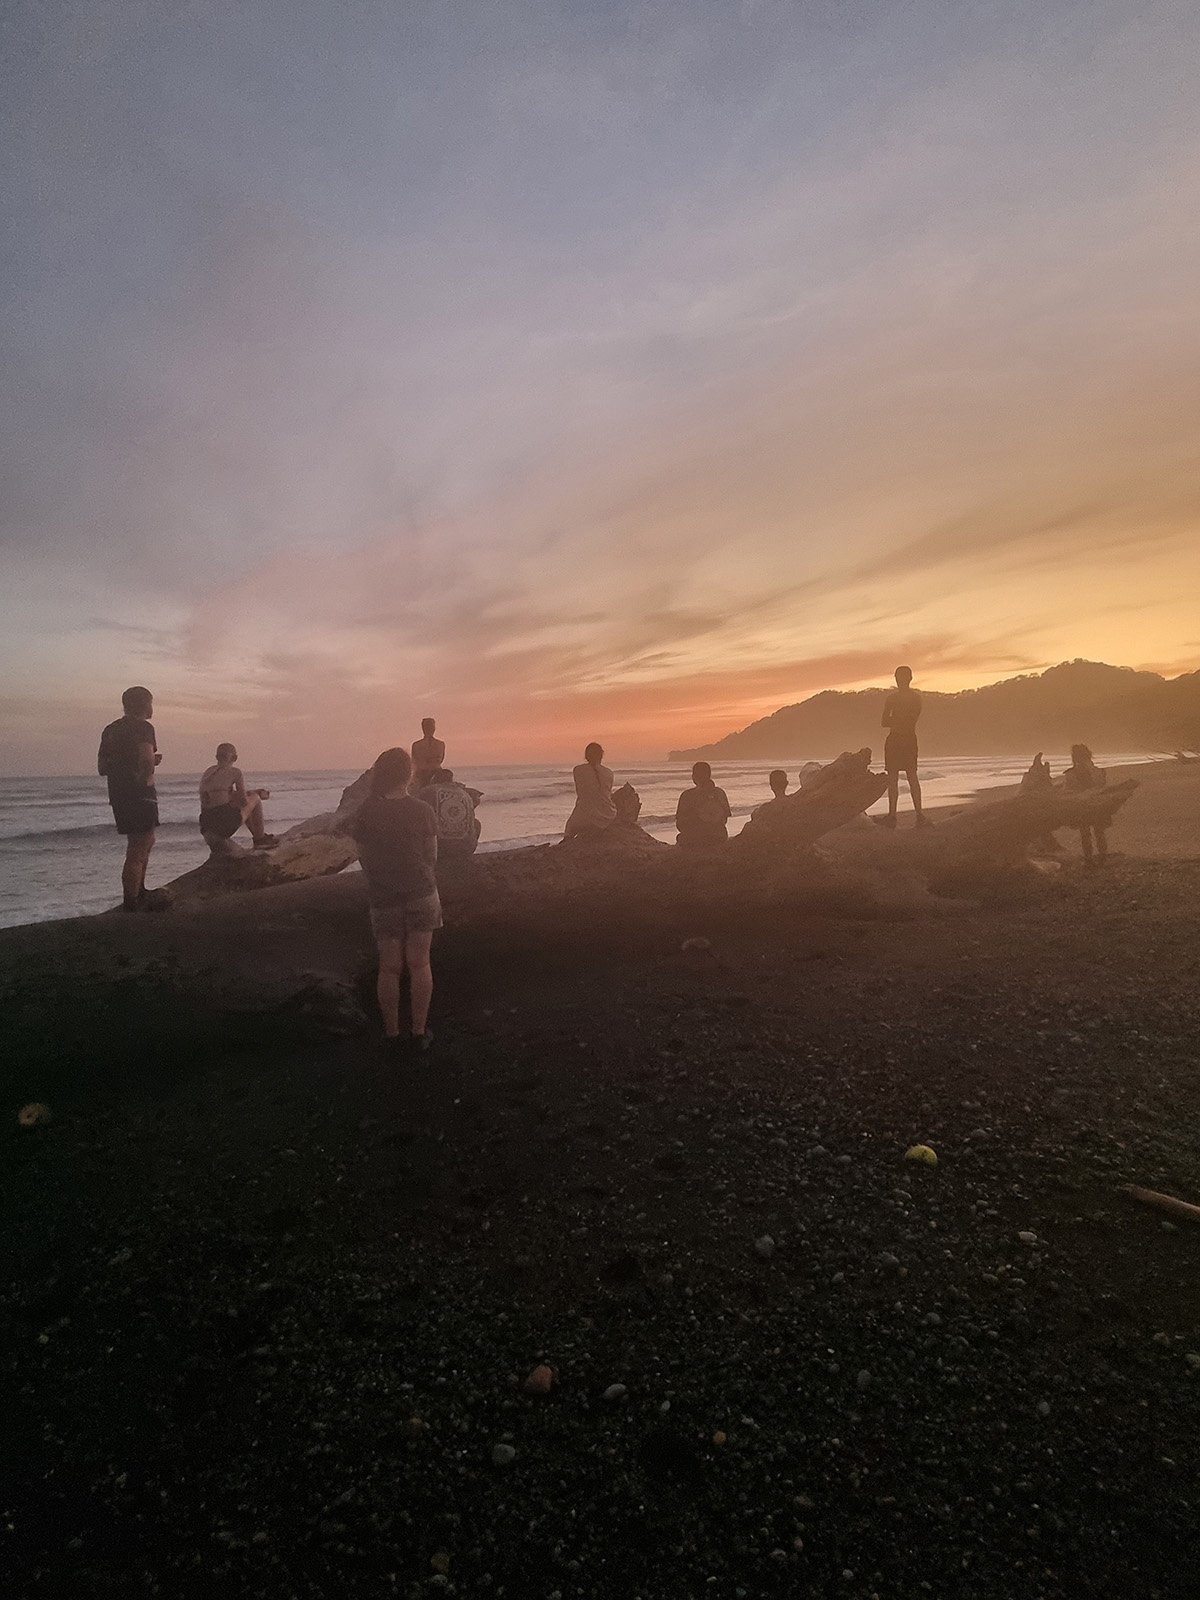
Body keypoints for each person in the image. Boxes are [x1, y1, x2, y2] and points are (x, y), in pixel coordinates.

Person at [352, 746, 440, 1052]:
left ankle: (391, 1034)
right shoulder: (422, 810)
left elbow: (363, 858)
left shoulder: (365, 812)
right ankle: (418, 1032)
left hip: (383, 896)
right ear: (409, 774)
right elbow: (431, 857)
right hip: (421, 892)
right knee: (419, 963)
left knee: (389, 967)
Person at [97, 686, 161, 910]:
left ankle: (139, 891)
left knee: (143, 842)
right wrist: (146, 772)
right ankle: (132, 902)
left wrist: (128, 764)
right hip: (140, 794)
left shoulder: (110, 730)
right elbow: (145, 761)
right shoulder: (143, 727)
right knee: (139, 846)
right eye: (151, 703)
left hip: (118, 795)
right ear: (145, 704)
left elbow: (102, 767)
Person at [198, 744, 277, 851]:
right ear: (235, 758)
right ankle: (260, 839)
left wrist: (249, 793)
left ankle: (258, 836)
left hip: (207, 825)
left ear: (217, 757)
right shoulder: (235, 772)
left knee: (248, 801)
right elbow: (243, 801)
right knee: (255, 799)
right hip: (224, 823)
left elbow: (224, 796)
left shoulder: (208, 772)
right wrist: (256, 794)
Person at [878, 665, 929, 828]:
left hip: (902, 739)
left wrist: (897, 719)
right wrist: (900, 719)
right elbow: (885, 722)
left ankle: (913, 815)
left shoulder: (906, 699)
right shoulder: (902, 699)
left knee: (907, 777)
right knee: (901, 777)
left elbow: (891, 721)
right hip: (901, 738)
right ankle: (900, 815)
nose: (899, 680)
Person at [415, 767, 482, 859]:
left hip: (440, 849)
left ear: (434, 778)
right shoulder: (465, 794)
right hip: (466, 849)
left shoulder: (426, 791)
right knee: (476, 823)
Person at [1063, 743, 1108, 865]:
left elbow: (1069, 791)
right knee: (1099, 831)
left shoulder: (1071, 774)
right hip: (1098, 804)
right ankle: (1102, 856)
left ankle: (1089, 858)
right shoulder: (1099, 771)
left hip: (1083, 805)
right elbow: (1102, 786)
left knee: (1085, 833)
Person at [564, 742, 617, 839]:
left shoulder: (577, 770)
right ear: (601, 756)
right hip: (608, 814)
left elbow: (581, 792)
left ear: (586, 756)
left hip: (585, 815)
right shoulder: (609, 772)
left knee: (569, 828)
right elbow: (607, 793)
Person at [675, 761, 732, 847]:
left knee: (681, 838)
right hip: (719, 836)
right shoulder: (720, 793)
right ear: (709, 775)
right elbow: (724, 820)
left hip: (696, 839)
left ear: (694, 776)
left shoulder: (687, 795)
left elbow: (680, 825)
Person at [1020, 752, 1063, 856]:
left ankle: (1043, 848)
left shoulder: (1032, 783)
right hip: (1033, 800)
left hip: (1035, 801)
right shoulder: (1034, 782)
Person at [411, 718, 446, 792]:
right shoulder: (440, 744)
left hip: (434, 775)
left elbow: (414, 762)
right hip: (423, 776)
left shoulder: (417, 745)